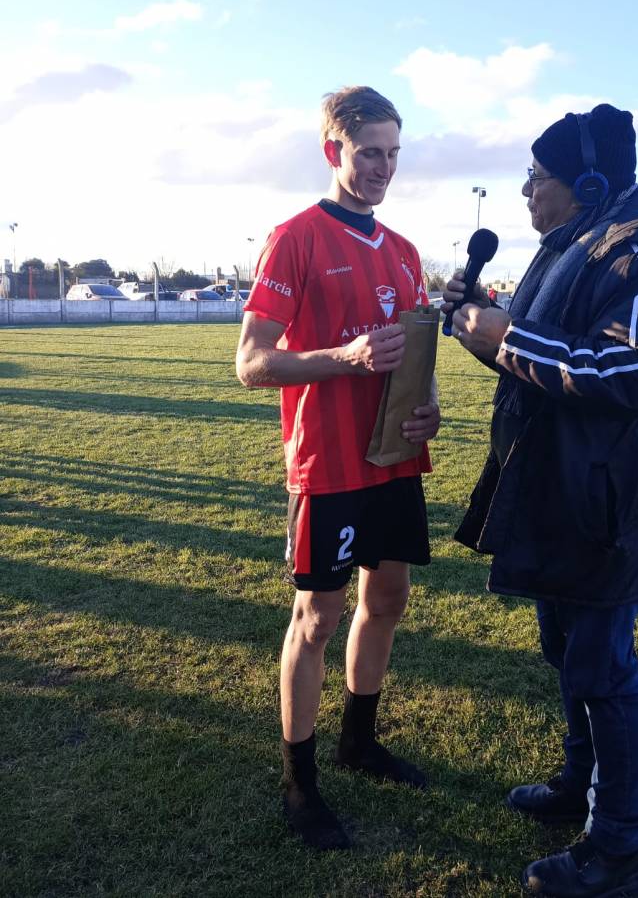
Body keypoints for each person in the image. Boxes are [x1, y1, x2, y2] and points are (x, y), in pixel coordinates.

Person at [443, 104, 638, 897]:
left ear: (588, 182)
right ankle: (579, 787)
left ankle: (619, 848)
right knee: (569, 657)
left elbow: (634, 374)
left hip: (605, 508)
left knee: (604, 669)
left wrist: (510, 336)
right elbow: (544, 370)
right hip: (554, 495)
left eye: (539, 176)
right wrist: (484, 335)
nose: (527, 189)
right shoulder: (565, 252)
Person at [236, 86, 440, 851]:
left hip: (393, 458)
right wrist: (344, 358)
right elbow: (251, 362)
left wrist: (428, 408)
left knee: (387, 598)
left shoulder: (406, 252)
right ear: (334, 151)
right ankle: (301, 782)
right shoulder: (295, 237)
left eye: (394, 152)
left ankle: (360, 739)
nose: (384, 166)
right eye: (370, 152)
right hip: (327, 463)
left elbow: (416, 354)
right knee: (316, 618)